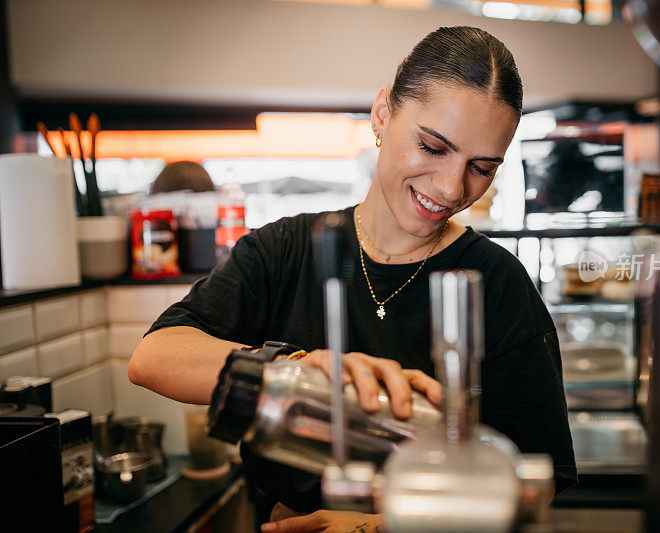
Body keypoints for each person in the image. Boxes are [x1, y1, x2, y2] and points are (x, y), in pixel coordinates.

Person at [129, 26, 576, 533]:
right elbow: (154, 357)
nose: (452, 187)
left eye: (481, 167)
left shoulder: (497, 282)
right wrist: (301, 372)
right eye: (432, 147)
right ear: (382, 113)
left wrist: (380, 526)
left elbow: (538, 473)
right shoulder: (285, 250)